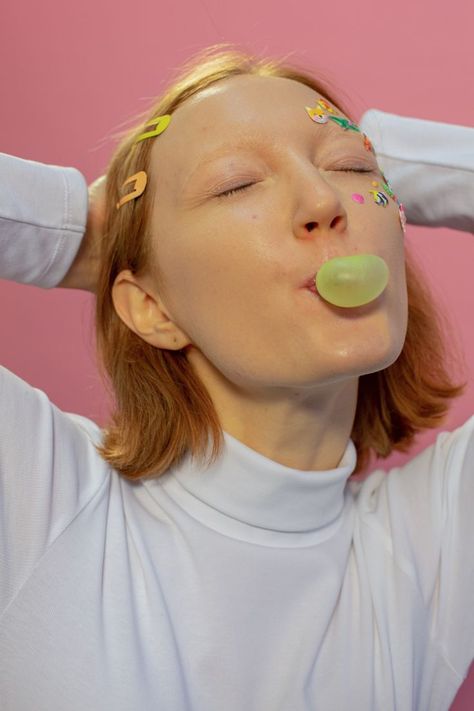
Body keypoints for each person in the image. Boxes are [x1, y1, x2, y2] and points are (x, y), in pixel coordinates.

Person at [0, 46, 473, 711]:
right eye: (236, 184)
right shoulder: (39, 493)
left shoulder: (430, 546)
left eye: (352, 168)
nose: (323, 200)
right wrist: (69, 232)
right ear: (152, 308)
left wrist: (398, 159)